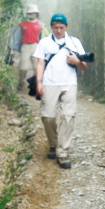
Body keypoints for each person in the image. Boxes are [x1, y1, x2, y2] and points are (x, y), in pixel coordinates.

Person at [33, 13, 88, 169]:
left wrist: (76, 61)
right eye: (55, 27)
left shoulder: (75, 42)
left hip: (69, 84)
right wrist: (39, 82)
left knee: (68, 116)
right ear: (51, 27)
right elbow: (40, 64)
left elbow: (84, 66)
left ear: (66, 27)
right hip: (49, 83)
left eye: (61, 27)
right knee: (48, 116)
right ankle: (53, 143)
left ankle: (62, 152)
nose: (58, 30)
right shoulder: (44, 43)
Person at [9, 4, 50, 90]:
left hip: (36, 46)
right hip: (25, 47)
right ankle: (21, 82)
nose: (31, 15)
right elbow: (17, 37)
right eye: (30, 13)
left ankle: (37, 85)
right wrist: (13, 48)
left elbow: (47, 36)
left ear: (36, 14)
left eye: (33, 13)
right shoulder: (22, 24)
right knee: (23, 67)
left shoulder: (41, 25)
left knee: (37, 67)